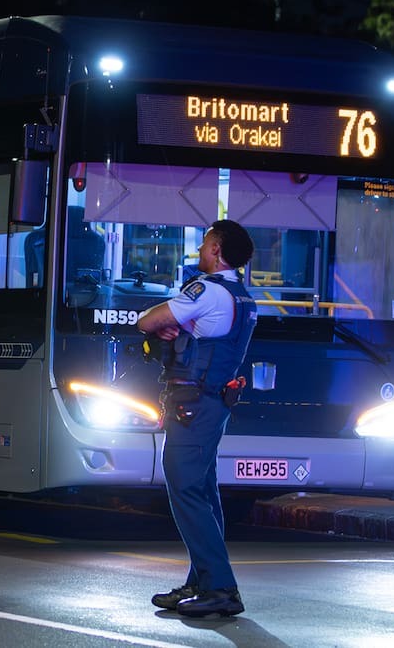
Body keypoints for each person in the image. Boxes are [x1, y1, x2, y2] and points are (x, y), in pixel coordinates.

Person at [137, 219, 258, 618]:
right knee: (204, 492)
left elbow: (147, 321)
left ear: (217, 250)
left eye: (206, 245)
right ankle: (200, 582)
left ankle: (220, 588)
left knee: (185, 488)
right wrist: (182, 324)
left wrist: (172, 323)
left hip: (194, 404)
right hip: (213, 403)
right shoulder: (241, 296)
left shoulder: (206, 290)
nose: (201, 251)